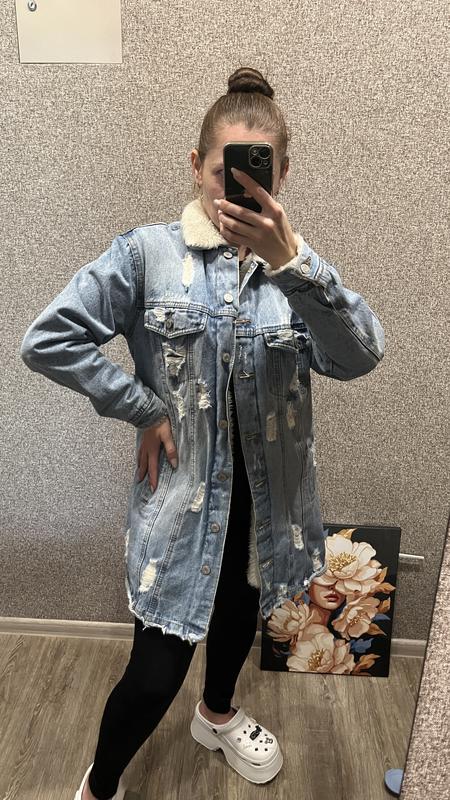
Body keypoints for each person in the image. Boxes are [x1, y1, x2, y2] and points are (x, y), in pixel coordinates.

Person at [20, 67, 385, 800]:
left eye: (258, 175)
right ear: (196, 166)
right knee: (154, 674)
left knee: (238, 617)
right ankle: (99, 787)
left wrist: (294, 266)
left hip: (268, 511)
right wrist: (143, 408)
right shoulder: (147, 256)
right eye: (225, 173)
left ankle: (216, 714)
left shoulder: (299, 274)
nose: (238, 191)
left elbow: (360, 356)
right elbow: (47, 339)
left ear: (282, 175)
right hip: (182, 509)